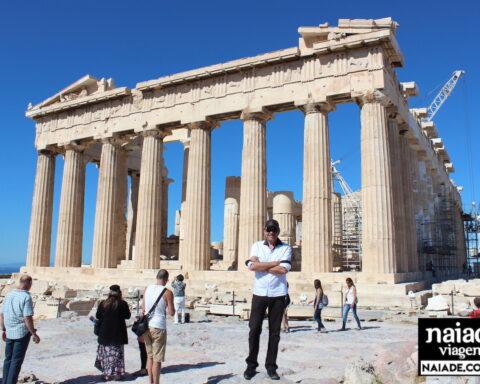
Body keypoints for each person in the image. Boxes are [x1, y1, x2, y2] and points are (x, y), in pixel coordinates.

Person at [244, 219, 292, 381]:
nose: (271, 232)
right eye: (268, 229)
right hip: (259, 293)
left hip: (278, 294)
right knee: (254, 330)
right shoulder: (257, 245)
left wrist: (261, 265)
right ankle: (251, 366)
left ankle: (271, 367)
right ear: (264, 230)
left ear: (278, 231)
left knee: (275, 333)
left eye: (274, 229)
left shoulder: (286, 248)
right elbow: (251, 266)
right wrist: (273, 264)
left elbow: (283, 269)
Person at [0, 275, 40, 384]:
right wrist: (34, 333)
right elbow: (27, 317)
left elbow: (2, 314)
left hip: (9, 331)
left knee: (8, 359)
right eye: (31, 284)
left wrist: (4, 329)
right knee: (16, 361)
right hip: (21, 333)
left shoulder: (9, 294)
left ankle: (4, 382)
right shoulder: (26, 297)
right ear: (28, 283)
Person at [142, 269, 175, 384]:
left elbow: (143, 309)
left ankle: (150, 382)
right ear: (166, 280)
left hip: (147, 326)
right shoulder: (167, 292)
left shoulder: (147, 289)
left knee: (149, 357)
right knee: (157, 359)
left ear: (157, 277)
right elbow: (171, 312)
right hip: (159, 327)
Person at [94, 285, 131, 381]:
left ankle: (107, 374)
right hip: (118, 335)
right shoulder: (123, 304)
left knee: (107, 355)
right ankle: (118, 374)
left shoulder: (103, 304)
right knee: (117, 355)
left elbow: (98, 316)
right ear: (119, 293)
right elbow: (128, 316)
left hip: (105, 334)